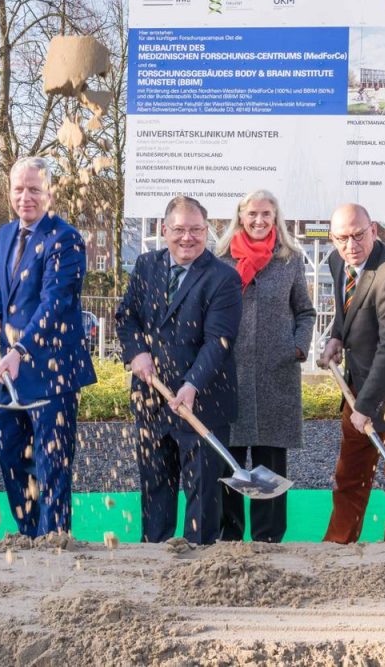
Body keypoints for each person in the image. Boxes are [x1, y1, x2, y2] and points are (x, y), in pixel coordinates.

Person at [0, 156, 96, 537]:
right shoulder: (6, 234)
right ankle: (29, 536)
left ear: (50, 193)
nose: (25, 197)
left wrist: (21, 349)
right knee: (12, 459)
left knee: (51, 466)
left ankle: (54, 543)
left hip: (51, 370)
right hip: (11, 368)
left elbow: (55, 303)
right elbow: (0, 285)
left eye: (34, 190)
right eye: (18, 189)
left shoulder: (65, 238)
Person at [116, 195, 243, 545]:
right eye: (179, 230)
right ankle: (156, 555)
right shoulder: (145, 265)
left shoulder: (223, 279)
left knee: (203, 493)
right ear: (164, 230)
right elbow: (127, 317)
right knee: (155, 486)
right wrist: (137, 353)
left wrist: (191, 385)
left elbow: (218, 342)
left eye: (196, 230)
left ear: (207, 231)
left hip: (201, 403)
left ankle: (198, 567)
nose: (187, 238)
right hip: (151, 401)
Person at [318, 203, 385, 543]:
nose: (351, 245)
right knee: (350, 472)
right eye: (342, 238)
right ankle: (340, 542)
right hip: (359, 383)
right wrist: (336, 335)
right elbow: (346, 308)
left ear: (374, 230)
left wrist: (364, 406)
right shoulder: (338, 261)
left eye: (358, 235)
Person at [214, 190, 316, 543]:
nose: (259, 221)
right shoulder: (220, 260)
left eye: (266, 214)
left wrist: (298, 347)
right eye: (252, 214)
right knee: (230, 460)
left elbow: (305, 311)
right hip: (230, 376)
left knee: (270, 460)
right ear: (240, 216)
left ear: (276, 218)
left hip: (277, 375)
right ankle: (229, 538)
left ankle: (269, 539)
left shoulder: (289, 260)